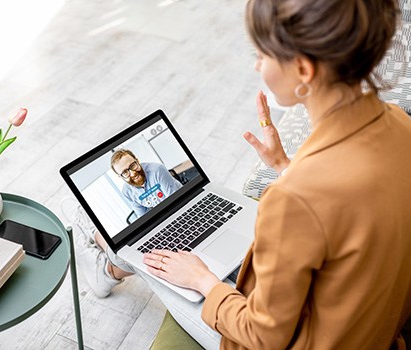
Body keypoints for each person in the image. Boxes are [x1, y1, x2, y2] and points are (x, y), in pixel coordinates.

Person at [63, 0, 411, 348]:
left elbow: (263, 336)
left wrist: (203, 281)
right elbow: (349, 215)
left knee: (143, 254)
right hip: (370, 334)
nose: (257, 64)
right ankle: (105, 257)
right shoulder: (400, 125)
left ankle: (104, 265)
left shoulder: (293, 200)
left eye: (261, 53)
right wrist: (285, 167)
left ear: (303, 69)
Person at [110, 149, 183, 218]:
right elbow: (143, 217)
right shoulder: (127, 192)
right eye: (125, 172)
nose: (133, 174)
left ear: (137, 161)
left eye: (132, 166)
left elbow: (175, 201)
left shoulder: (157, 170)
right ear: (120, 176)